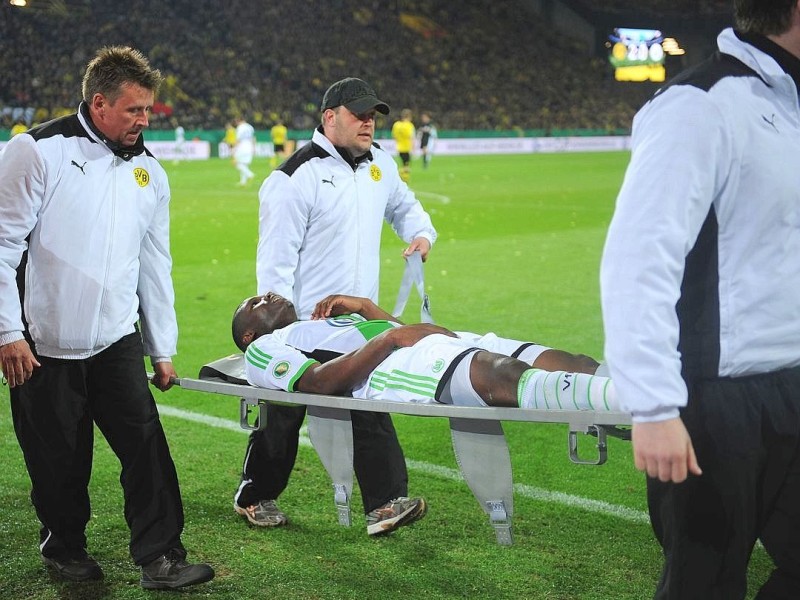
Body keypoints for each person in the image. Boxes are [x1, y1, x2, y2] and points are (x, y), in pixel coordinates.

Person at [599, 2, 800, 597]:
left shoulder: (790, 107)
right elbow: (639, 257)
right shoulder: (701, 103)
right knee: (705, 584)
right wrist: (655, 407)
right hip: (717, 400)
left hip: (792, 381)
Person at [0, 46, 214, 590]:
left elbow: (154, 263)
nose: (145, 122)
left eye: (148, 111)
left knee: (146, 448)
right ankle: (65, 547)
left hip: (118, 340)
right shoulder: (36, 152)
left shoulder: (149, 171)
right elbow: (1, 245)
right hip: (45, 344)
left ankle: (161, 556)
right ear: (99, 103)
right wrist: (7, 333)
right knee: (58, 463)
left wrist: (161, 348)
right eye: (134, 110)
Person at [235, 77, 438, 536]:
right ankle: (254, 493)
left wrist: (420, 235)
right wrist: (280, 330)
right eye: (359, 114)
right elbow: (276, 260)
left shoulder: (380, 164)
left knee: (367, 398)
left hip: (358, 320)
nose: (369, 122)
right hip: (307, 324)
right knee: (282, 417)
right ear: (330, 117)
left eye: (373, 115)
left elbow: (405, 207)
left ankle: (385, 503)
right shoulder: (293, 177)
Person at [231, 292, 618, 415]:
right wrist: (390, 340)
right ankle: (644, 403)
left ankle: (642, 394)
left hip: (433, 342)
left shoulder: (321, 324)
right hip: (400, 366)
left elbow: (396, 330)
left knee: (575, 363)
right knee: (502, 374)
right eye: (256, 302)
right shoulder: (264, 349)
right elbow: (316, 384)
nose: (268, 295)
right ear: (249, 333)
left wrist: (366, 308)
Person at [391, 108, 415, 182]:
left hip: (399, 147)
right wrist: (413, 147)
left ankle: (403, 179)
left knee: (403, 164)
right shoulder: (409, 125)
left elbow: (394, 136)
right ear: (409, 116)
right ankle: (404, 179)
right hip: (407, 148)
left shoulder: (396, 125)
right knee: (406, 165)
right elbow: (411, 137)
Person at [232, 115, 256, 185]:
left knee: (236, 163)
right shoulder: (250, 127)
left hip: (242, 146)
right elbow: (253, 138)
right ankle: (243, 182)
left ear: (239, 121)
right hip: (249, 146)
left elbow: (238, 139)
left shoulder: (240, 127)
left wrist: (234, 149)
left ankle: (250, 174)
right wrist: (254, 148)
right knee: (244, 164)